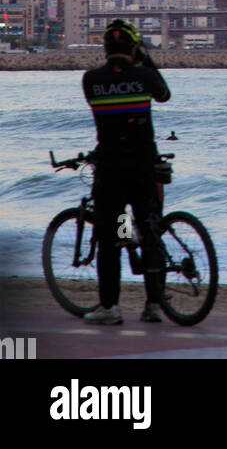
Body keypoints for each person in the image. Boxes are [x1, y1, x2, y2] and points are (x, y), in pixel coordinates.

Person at [81, 18, 171, 325]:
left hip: (111, 172)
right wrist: (146, 59)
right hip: (144, 168)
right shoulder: (145, 75)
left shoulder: (91, 80)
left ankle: (111, 307)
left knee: (112, 237)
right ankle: (154, 305)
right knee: (150, 231)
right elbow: (164, 94)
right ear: (134, 48)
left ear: (105, 49)